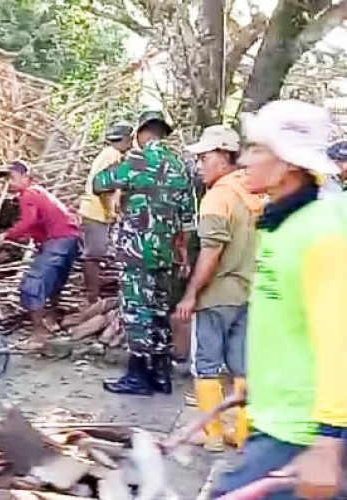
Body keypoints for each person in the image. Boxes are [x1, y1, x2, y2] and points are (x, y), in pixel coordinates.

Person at [212, 100, 347, 500]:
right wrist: (258, 383)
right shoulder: (280, 223)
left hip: (304, 432)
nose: (243, 160)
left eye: (256, 150)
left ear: (288, 164)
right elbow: (287, 319)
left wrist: (329, 439)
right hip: (277, 418)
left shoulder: (324, 234)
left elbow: (339, 338)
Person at [93, 110, 195, 396]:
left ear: (140, 133)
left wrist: (118, 199)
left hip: (136, 252)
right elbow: (188, 217)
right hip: (166, 254)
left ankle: (138, 376)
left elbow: (98, 183)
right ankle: (161, 376)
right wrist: (182, 250)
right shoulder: (179, 165)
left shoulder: (136, 160)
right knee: (159, 312)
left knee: (137, 312)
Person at [174, 125, 262, 452]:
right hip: (248, 293)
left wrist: (191, 294)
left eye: (204, 158)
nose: (199, 165)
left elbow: (212, 251)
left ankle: (211, 435)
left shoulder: (218, 197)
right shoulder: (254, 192)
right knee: (242, 366)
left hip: (218, 296)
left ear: (224, 157)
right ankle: (242, 435)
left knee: (206, 365)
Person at [0, 160, 81, 350]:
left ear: (25, 177)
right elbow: (39, 223)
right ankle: (51, 321)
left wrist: (8, 234)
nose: (7, 183)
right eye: (5, 180)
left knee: (32, 285)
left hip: (59, 239)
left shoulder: (28, 194)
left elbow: (29, 221)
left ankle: (38, 335)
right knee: (54, 282)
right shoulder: (39, 192)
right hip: (70, 238)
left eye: (11, 177)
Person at [79, 122, 133, 304]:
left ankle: (94, 294)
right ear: (125, 139)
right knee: (94, 254)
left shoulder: (110, 154)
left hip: (96, 210)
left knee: (97, 253)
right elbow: (103, 188)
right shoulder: (113, 156)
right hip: (96, 211)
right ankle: (92, 297)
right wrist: (111, 210)